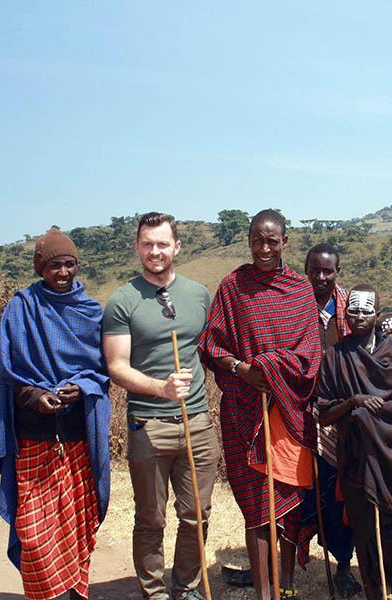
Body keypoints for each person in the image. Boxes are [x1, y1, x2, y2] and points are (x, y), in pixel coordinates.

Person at [0, 228, 111, 600]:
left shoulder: (91, 312)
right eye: (54, 266)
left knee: (78, 525)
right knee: (32, 532)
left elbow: (104, 370)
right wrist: (34, 395)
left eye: (69, 264)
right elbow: (5, 371)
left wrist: (81, 387)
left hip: (78, 437)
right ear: (40, 268)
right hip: (33, 437)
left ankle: (75, 592)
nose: (63, 272)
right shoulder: (22, 307)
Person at [198, 209, 322, 600]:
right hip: (244, 409)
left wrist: (269, 366)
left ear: (285, 241)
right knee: (255, 506)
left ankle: (285, 585)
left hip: (288, 412)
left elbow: (311, 351)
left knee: (286, 502)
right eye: (256, 240)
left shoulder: (300, 289)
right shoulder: (233, 287)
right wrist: (242, 369)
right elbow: (211, 345)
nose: (264, 248)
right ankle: (264, 592)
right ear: (248, 241)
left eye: (271, 241)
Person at [103, 212, 220, 600]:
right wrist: (161, 388)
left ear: (177, 247)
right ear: (137, 247)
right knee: (151, 518)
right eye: (148, 244)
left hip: (197, 421)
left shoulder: (198, 294)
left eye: (163, 244)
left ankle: (186, 587)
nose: (155, 251)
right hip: (148, 424)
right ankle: (153, 593)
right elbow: (117, 366)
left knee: (197, 515)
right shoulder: (122, 301)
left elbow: (211, 348)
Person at [316, 285, 392, 600]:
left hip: (391, 455)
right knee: (364, 531)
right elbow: (324, 414)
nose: (358, 317)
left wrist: (376, 411)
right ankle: (373, 590)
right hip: (354, 457)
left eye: (365, 311)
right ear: (345, 314)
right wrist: (353, 402)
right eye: (353, 311)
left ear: (376, 314)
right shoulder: (335, 356)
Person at [301, 243, 362, 597]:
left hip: (340, 415)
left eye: (328, 271)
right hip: (298, 410)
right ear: (306, 270)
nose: (321, 277)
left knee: (339, 490)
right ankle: (285, 560)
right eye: (315, 270)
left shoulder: (351, 309)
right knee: (301, 486)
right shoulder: (293, 305)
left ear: (338, 272)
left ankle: (343, 564)